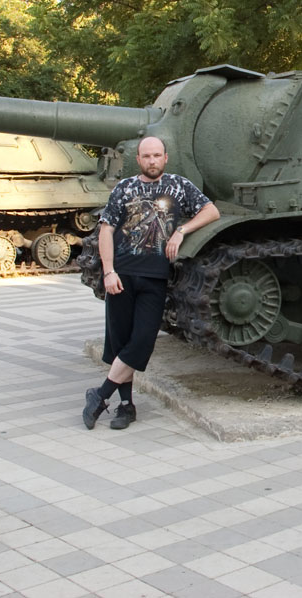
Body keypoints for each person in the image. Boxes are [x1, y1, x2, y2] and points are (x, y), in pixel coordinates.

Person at [82, 136, 219, 430]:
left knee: (142, 341)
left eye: (157, 155)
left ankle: (100, 394)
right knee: (122, 343)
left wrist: (182, 230)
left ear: (165, 158)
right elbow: (106, 231)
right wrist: (108, 272)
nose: (152, 161)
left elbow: (211, 211)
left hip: (155, 277)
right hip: (121, 275)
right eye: (146, 156)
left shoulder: (179, 186)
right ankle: (126, 406)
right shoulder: (124, 188)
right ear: (139, 159)